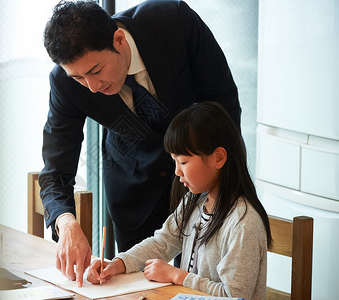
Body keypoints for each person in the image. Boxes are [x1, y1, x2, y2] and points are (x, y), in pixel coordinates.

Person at [39, 0, 242, 287]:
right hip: (132, 185)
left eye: (96, 70)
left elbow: (224, 103)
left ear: (119, 41)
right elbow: (55, 171)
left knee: (202, 280)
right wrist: (67, 222)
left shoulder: (174, 21)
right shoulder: (64, 84)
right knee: (136, 288)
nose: (92, 87)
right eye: (79, 77)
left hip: (200, 175)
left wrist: (220, 183)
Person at [86, 102, 272, 299]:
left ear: (218, 158)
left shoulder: (243, 224)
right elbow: (162, 243)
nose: (177, 171)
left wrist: (178, 275)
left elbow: (233, 295)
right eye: (174, 161)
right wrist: (118, 264)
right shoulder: (195, 201)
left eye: (183, 162)